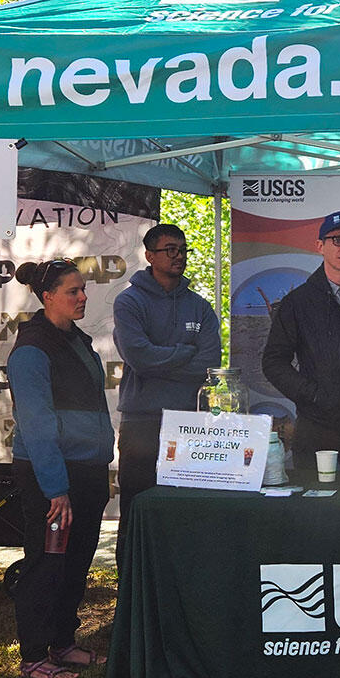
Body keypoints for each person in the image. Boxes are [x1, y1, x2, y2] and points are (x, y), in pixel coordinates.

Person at [7, 259, 114, 678]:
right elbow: (36, 425)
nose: (83, 297)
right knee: (46, 563)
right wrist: (56, 489)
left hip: (87, 469)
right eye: (73, 291)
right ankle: (33, 657)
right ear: (47, 296)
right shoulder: (32, 348)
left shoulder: (77, 340)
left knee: (76, 561)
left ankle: (62, 643)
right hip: (52, 475)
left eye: (83, 289)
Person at [113, 224, 220, 558]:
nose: (179, 256)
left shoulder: (200, 307)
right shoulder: (129, 302)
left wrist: (162, 361)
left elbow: (209, 364)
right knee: (138, 511)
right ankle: (131, 580)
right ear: (149, 255)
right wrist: (184, 352)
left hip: (188, 422)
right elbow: (139, 358)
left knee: (186, 511)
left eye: (183, 249)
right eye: (170, 249)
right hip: (142, 423)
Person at [261, 210, 340, 471]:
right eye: (337, 240)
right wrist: (312, 394)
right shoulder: (298, 303)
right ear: (320, 246)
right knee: (312, 496)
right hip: (315, 429)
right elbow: (273, 362)